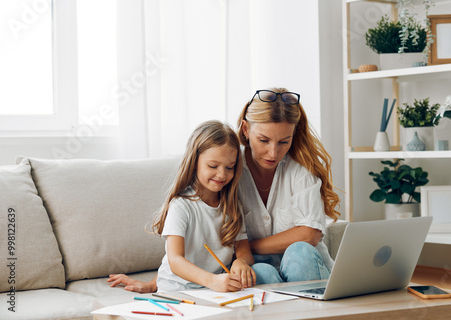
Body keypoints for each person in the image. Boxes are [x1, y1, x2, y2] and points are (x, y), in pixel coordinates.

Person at [108, 120, 256, 292]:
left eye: (230, 167)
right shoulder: (181, 206)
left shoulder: (232, 207)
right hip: (176, 290)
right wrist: (212, 281)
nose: (222, 174)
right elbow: (175, 260)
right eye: (213, 166)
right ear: (194, 162)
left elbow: (245, 253)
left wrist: (241, 262)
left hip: (212, 290)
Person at [237, 88, 341, 284]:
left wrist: (245, 247)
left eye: (284, 142)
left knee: (299, 251)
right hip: (260, 274)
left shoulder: (300, 169)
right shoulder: (229, 170)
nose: (273, 153)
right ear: (246, 129)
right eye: (263, 140)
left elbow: (309, 235)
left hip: (307, 269)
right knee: (259, 271)